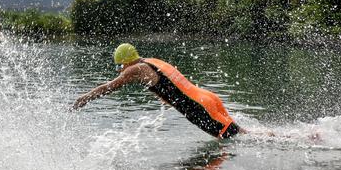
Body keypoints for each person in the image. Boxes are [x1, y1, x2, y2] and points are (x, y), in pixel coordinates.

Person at [72, 42, 242, 139]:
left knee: (234, 139)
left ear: (126, 61)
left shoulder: (134, 69)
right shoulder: (151, 61)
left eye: (119, 65)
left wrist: (84, 98)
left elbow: (110, 87)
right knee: (240, 134)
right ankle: (269, 136)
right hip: (207, 98)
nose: (119, 70)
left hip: (199, 108)